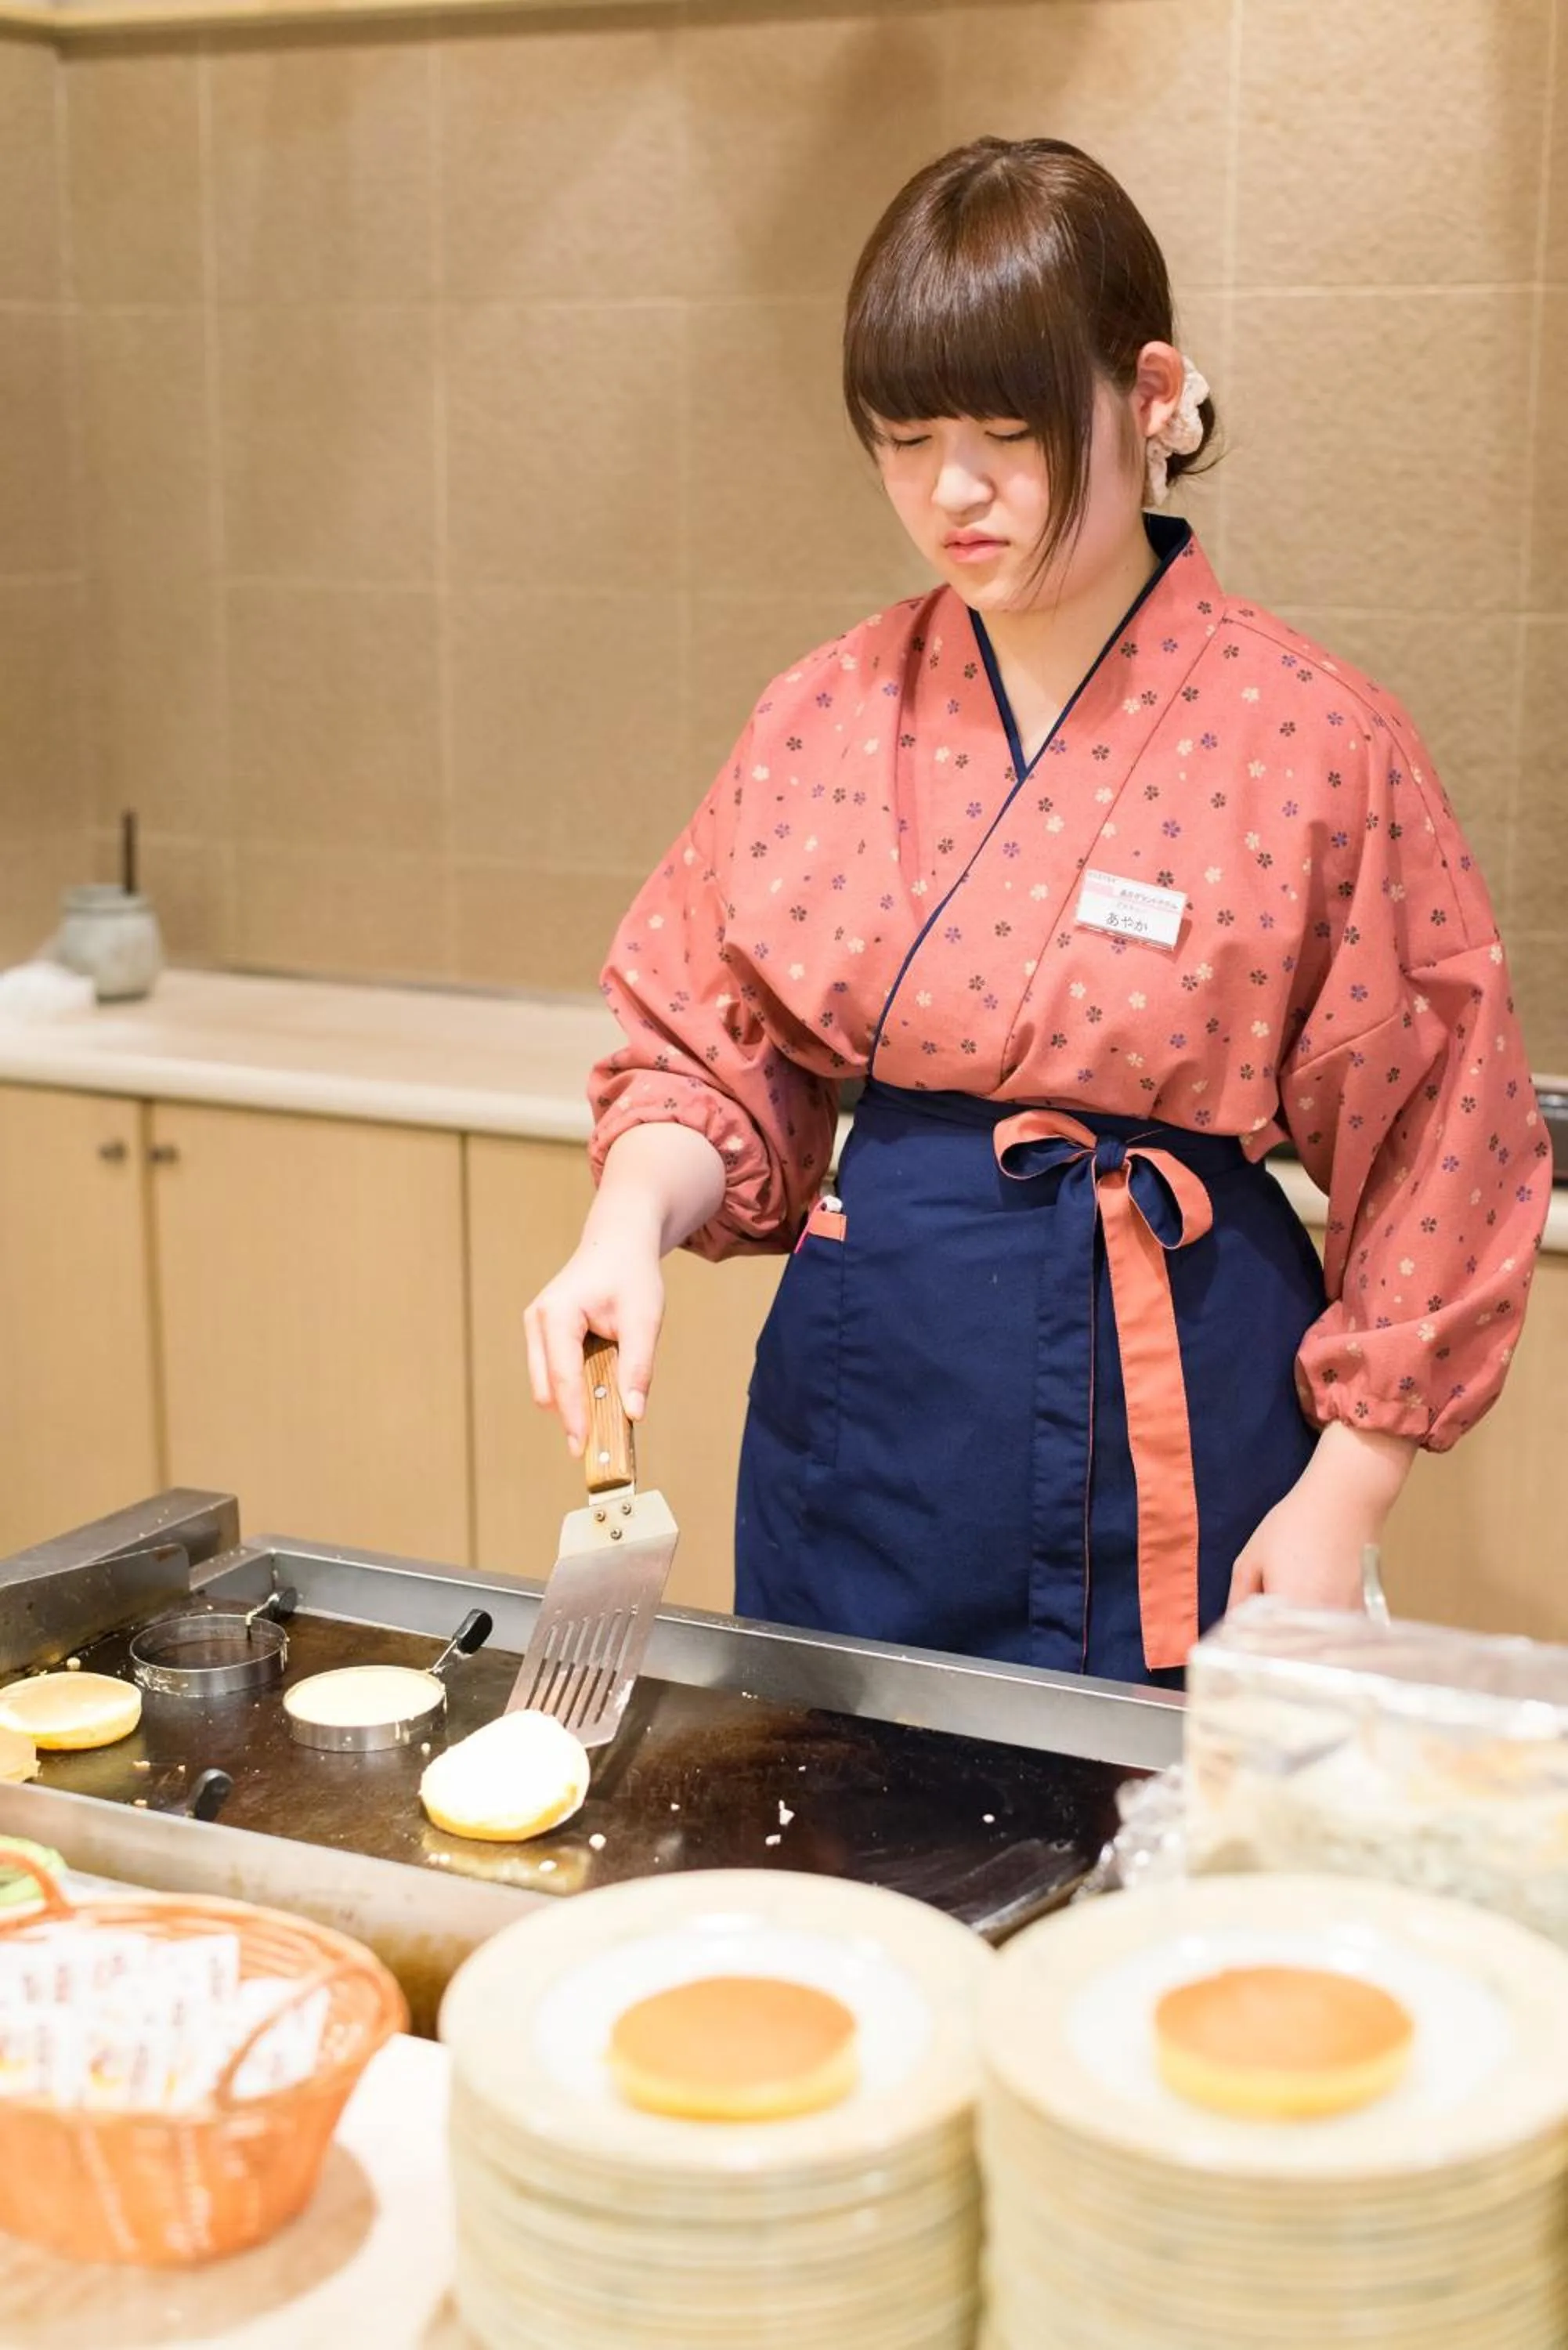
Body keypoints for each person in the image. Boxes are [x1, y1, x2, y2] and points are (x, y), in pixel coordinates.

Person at [526, 137, 1548, 1690]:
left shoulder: (1310, 735)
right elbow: (709, 1052)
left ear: (1146, 395)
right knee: (850, 1840)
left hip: (1186, 1406)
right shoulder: (823, 713)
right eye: (902, 437)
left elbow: (1439, 1147)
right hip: (875, 1408)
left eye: (1007, 431)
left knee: (1158, 1891)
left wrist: (1348, 1486)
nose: (951, 490)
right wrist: (626, 1224)